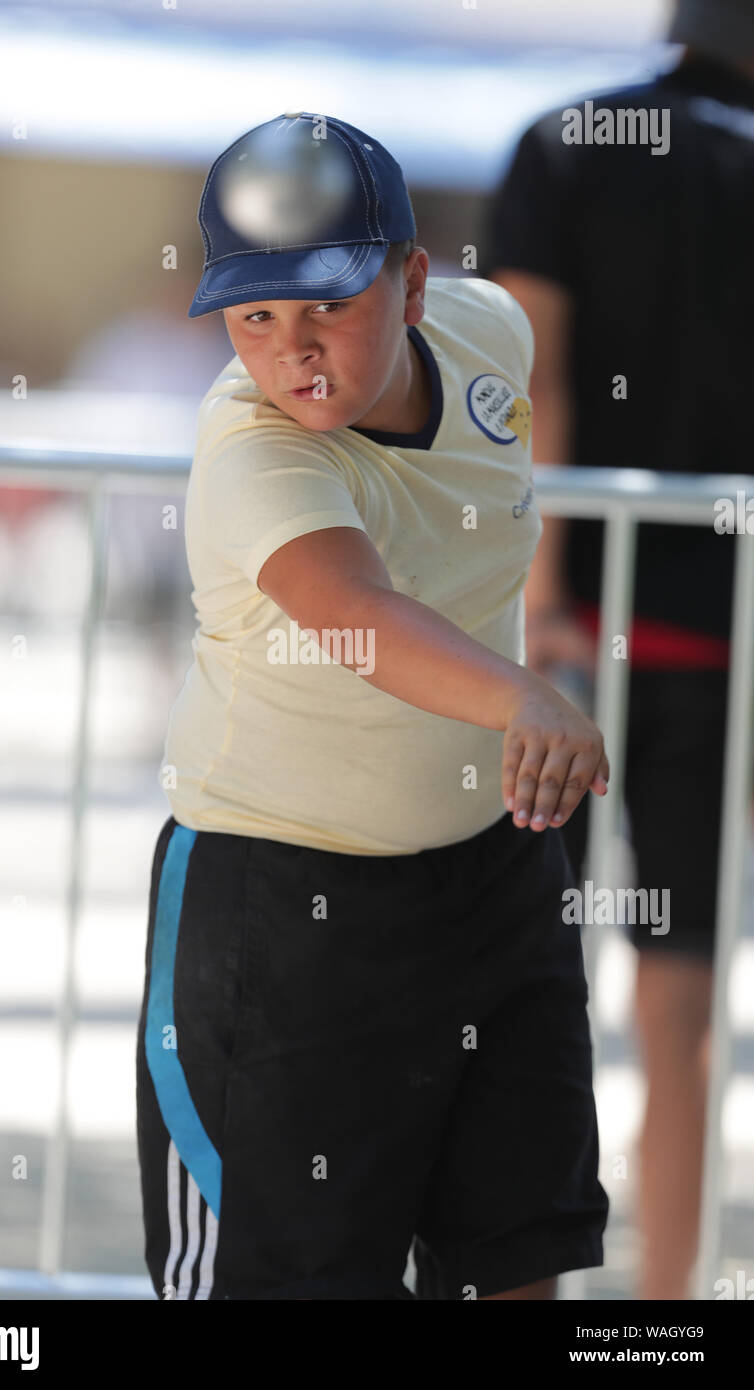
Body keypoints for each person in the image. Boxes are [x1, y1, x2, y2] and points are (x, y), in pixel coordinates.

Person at [135, 111, 610, 1301]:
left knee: (518, 1253)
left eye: (326, 308)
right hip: (284, 913)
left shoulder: (487, 327)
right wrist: (522, 697)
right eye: (255, 317)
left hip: (494, 871)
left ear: (409, 282)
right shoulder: (251, 448)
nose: (293, 352)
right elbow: (352, 617)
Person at [485, 0, 754, 1300]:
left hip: (569, 639)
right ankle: (665, 1312)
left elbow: (534, 382)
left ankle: (526, 1288)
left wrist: (542, 616)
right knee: (681, 1003)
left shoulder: (564, 142)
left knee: (525, 994)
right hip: (726, 644)